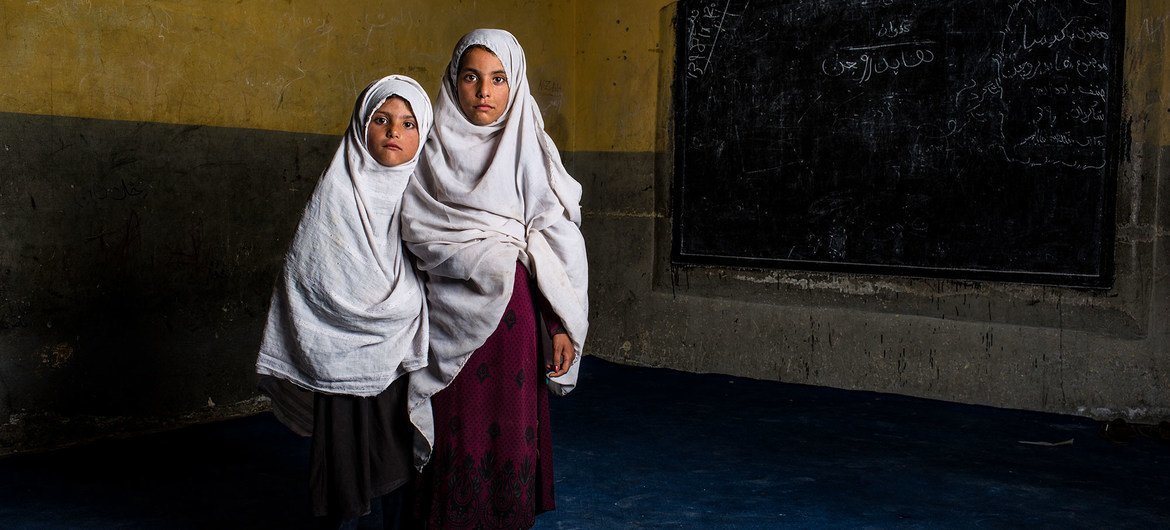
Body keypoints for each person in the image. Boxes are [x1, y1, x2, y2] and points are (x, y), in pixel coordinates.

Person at [400, 29, 590, 529]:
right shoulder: (427, 149)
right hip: (441, 322)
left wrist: (558, 326)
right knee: (451, 439)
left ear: (515, 84)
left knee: (506, 436)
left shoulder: (530, 147)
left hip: (513, 327)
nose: (485, 92)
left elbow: (553, 245)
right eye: (472, 77)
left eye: (498, 78)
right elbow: (410, 232)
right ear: (453, 81)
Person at [254, 74, 434, 529]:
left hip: (400, 352)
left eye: (409, 123)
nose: (394, 131)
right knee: (344, 457)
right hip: (340, 356)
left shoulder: (428, 196)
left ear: (424, 133)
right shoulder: (335, 194)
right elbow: (308, 271)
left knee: (396, 452)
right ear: (360, 126)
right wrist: (348, 320)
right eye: (382, 119)